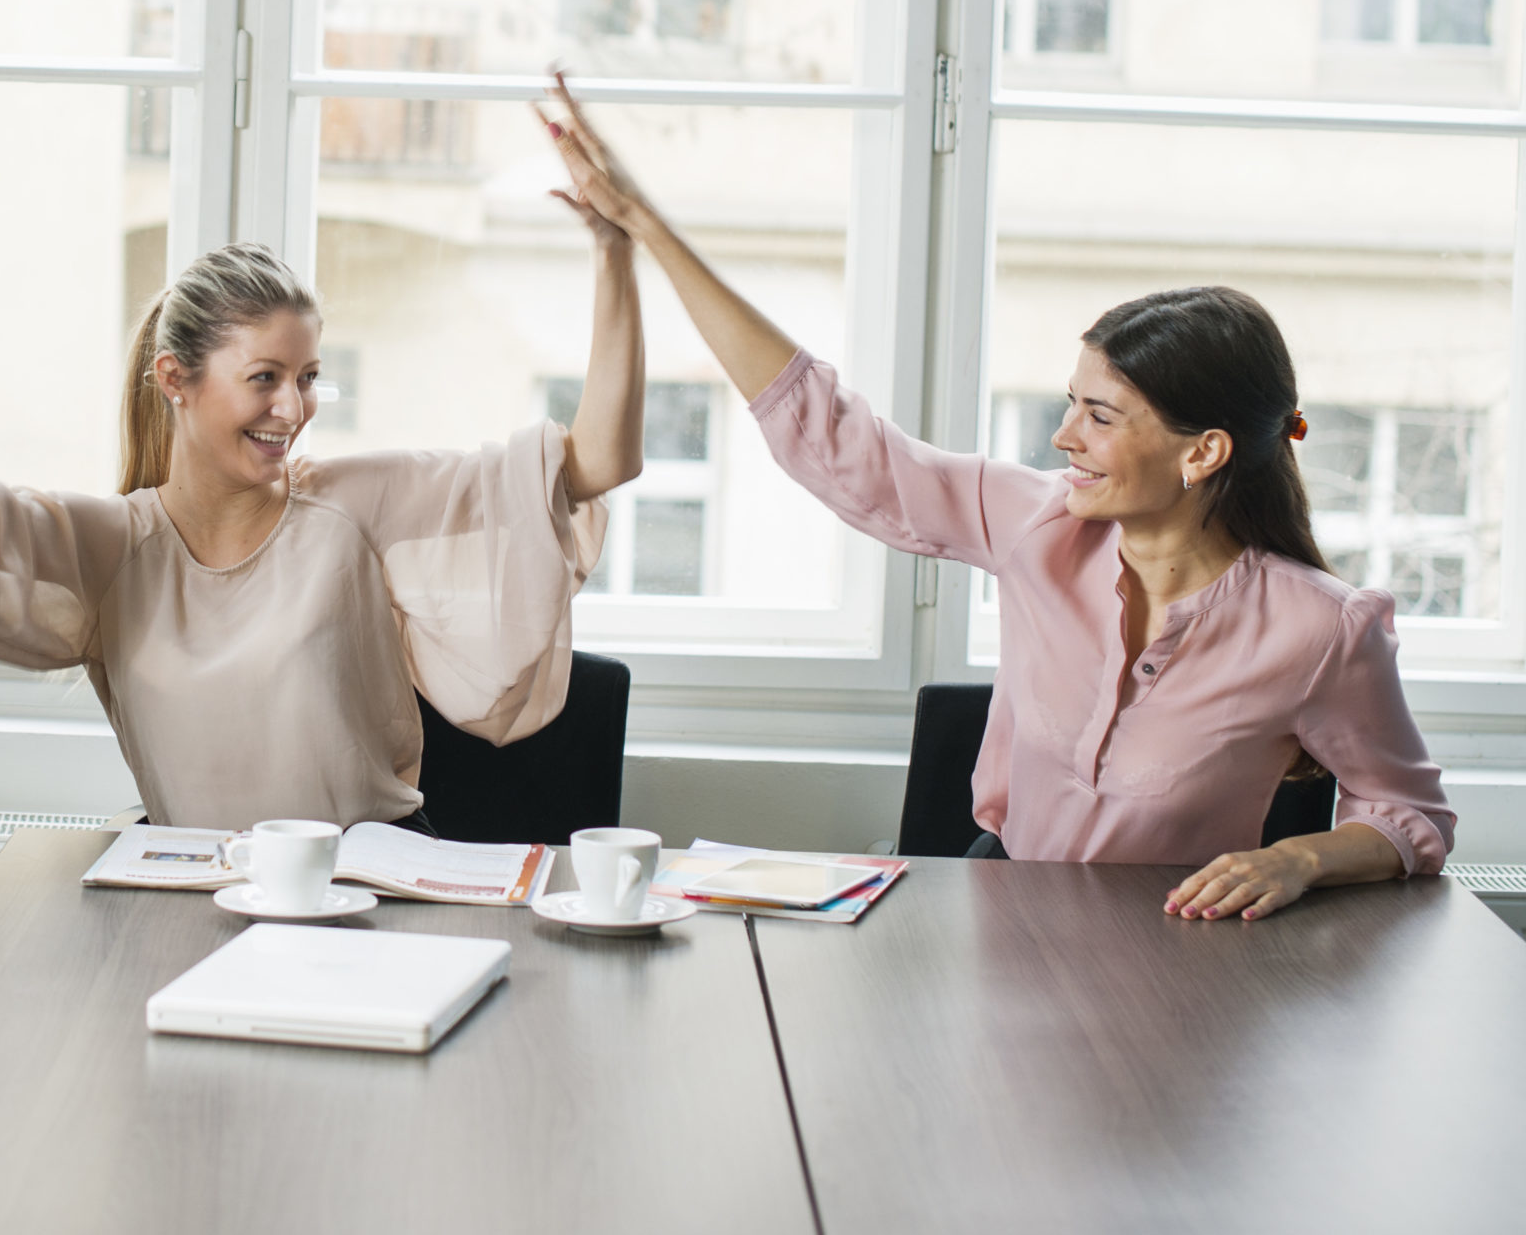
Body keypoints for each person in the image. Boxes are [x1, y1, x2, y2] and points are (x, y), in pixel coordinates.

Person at [540, 80, 1454, 921]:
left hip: (1180, 963)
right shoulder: (1038, 524)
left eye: (1099, 416)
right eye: (1071, 406)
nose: (1065, 439)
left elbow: (1408, 812)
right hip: (1003, 919)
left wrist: (1300, 858)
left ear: (1202, 452)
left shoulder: (1323, 630)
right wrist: (646, 230)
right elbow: (836, 439)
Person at [0, 124, 639, 831]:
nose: (293, 408)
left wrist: (616, 250)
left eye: (309, 377)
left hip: (369, 900)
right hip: (197, 911)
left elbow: (597, 461)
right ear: (174, 379)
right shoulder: (111, 548)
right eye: (265, 377)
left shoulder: (357, 506)